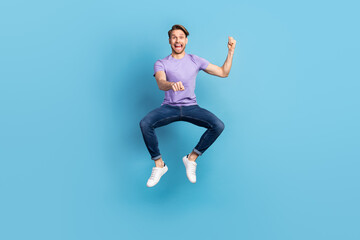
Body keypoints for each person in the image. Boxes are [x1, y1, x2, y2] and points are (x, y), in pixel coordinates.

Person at [139, 24, 236, 187]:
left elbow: (223, 72)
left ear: (186, 41)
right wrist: (170, 84)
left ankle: (191, 159)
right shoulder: (161, 63)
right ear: (170, 41)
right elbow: (161, 83)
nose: (178, 40)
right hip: (169, 108)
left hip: (191, 108)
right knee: (145, 123)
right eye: (174, 37)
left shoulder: (195, 60)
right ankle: (159, 165)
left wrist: (231, 51)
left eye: (181, 37)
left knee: (218, 125)